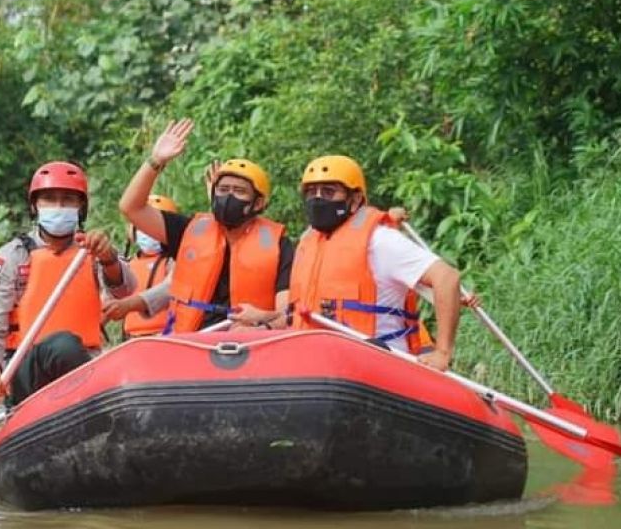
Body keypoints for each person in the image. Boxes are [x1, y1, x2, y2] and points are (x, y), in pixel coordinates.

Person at [0, 161, 137, 406]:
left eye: (67, 200)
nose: (58, 206)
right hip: (27, 368)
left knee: (92, 352)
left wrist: (109, 259)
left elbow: (126, 290)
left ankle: (98, 401)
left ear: (80, 207)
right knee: (62, 345)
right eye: (49, 199)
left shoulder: (93, 249)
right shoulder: (12, 256)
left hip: (85, 362)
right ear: (35, 206)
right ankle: (97, 402)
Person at [288, 155, 468, 371]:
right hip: (317, 365)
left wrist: (442, 353)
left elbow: (447, 278)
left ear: (354, 200)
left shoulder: (379, 240)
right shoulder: (307, 244)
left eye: (328, 192)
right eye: (311, 192)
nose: (317, 200)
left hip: (376, 364)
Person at [119, 119, 294, 332]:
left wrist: (261, 320)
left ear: (258, 203)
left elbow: (286, 314)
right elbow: (131, 208)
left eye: (239, 191)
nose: (229, 197)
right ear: (212, 193)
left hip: (248, 343)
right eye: (223, 190)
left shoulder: (279, 245)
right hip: (191, 339)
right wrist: (156, 161)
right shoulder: (188, 230)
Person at [102, 195, 178, 338]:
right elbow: (108, 300)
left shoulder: (174, 262)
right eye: (143, 227)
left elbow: (169, 289)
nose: (149, 232)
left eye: (153, 227)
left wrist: (129, 304)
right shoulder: (126, 266)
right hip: (132, 339)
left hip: (166, 337)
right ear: (133, 231)